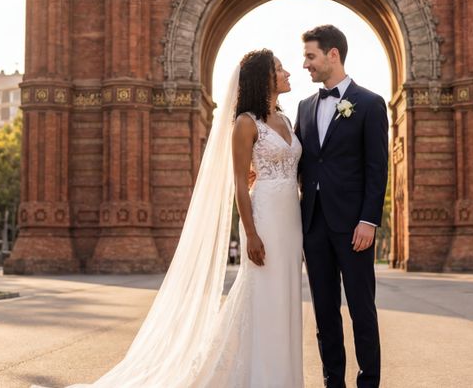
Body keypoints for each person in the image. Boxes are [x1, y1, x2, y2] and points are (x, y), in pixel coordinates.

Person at [57, 49, 303, 387]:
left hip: (290, 220)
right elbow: (239, 183)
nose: (287, 72)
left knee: (286, 297)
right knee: (265, 296)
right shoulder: (246, 123)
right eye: (279, 68)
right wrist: (251, 233)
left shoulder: (287, 121)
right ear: (264, 78)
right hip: (264, 220)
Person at [295, 25, 388, 388]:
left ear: (333, 54)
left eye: (310, 56)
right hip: (313, 225)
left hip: (354, 227)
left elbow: (376, 168)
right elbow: (300, 164)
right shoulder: (304, 107)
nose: (305, 64)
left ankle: (369, 382)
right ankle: (333, 382)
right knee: (324, 313)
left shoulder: (370, 103)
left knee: (362, 310)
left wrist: (369, 220)